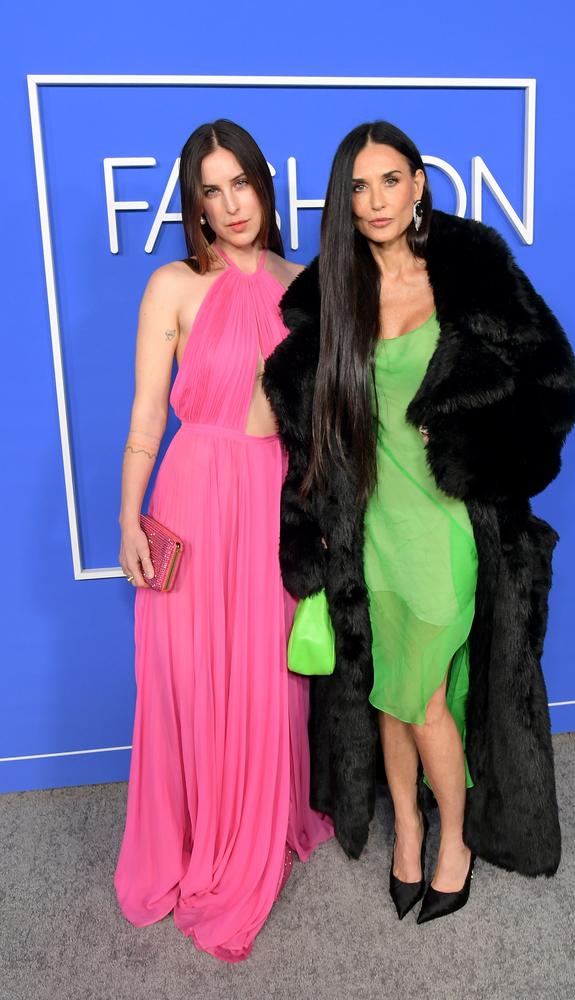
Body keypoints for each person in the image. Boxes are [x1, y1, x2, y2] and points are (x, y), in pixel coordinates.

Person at [263, 121, 575, 923]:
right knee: (385, 691)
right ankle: (406, 828)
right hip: (370, 526)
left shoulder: (471, 272)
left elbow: (553, 383)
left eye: (391, 181)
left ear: (419, 187)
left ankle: (455, 842)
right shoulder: (333, 294)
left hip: (445, 530)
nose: (376, 201)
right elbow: (308, 423)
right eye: (360, 187)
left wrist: (477, 432)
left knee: (428, 694)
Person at [115, 118, 332, 962]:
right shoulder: (171, 284)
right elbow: (144, 419)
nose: (232, 203)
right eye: (213, 189)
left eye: (242, 183)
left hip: (270, 497)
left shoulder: (303, 281)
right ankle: (191, 838)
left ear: (264, 188)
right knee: (187, 675)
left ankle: (257, 827)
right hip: (193, 494)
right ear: (195, 204)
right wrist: (129, 517)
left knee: (266, 677)